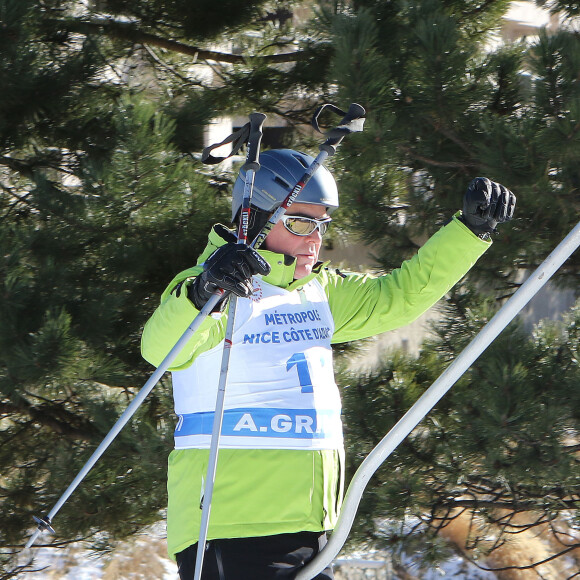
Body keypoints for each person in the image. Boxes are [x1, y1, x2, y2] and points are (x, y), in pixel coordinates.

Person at [141, 149, 516, 580]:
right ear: (259, 218)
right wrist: (204, 291)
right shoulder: (211, 290)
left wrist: (469, 231)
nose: (314, 239)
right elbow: (161, 348)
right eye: (301, 223)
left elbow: (400, 296)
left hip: (311, 528)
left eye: (322, 225)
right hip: (231, 527)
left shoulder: (319, 292)